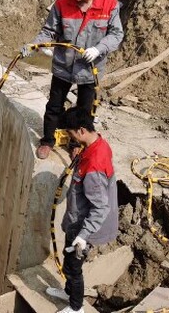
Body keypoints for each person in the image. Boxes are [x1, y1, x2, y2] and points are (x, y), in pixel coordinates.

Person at [21, 0, 124, 159]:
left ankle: (77, 143)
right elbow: (49, 31)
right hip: (64, 65)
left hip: (90, 69)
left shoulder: (109, 5)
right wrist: (35, 44)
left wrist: (98, 49)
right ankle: (48, 141)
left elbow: (117, 34)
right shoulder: (62, 4)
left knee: (85, 110)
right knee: (54, 106)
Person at [45, 107, 118, 313]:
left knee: (73, 268)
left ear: (81, 130)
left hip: (83, 227)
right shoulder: (98, 144)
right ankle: (69, 293)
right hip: (77, 221)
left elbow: (100, 206)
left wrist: (83, 236)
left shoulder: (94, 165)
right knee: (69, 264)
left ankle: (76, 308)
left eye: (71, 134)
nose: (70, 138)